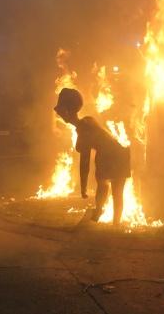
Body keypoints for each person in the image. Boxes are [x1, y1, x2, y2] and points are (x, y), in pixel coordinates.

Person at [53, 87, 130, 227]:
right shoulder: (87, 122)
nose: (58, 114)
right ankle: (109, 223)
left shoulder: (84, 128)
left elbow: (85, 162)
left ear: (66, 111)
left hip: (112, 155)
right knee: (109, 189)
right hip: (118, 153)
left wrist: (83, 188)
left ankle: (102, 221)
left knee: (109, 189)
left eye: (61, 111)